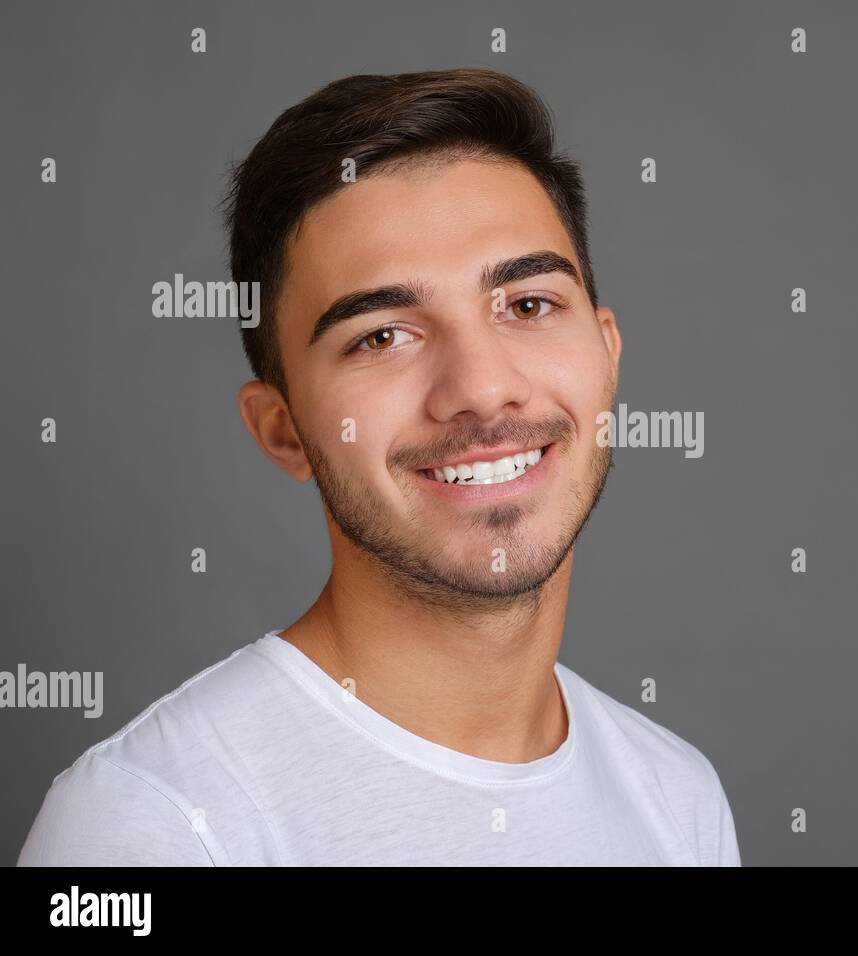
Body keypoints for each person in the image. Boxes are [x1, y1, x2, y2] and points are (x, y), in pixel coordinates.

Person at [18, 68, 741, 866]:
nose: (483, 388)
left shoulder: (678, 799)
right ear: (284, 430)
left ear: (607, 354)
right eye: (382, 336)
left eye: (528, 304)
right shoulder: (147, 824)